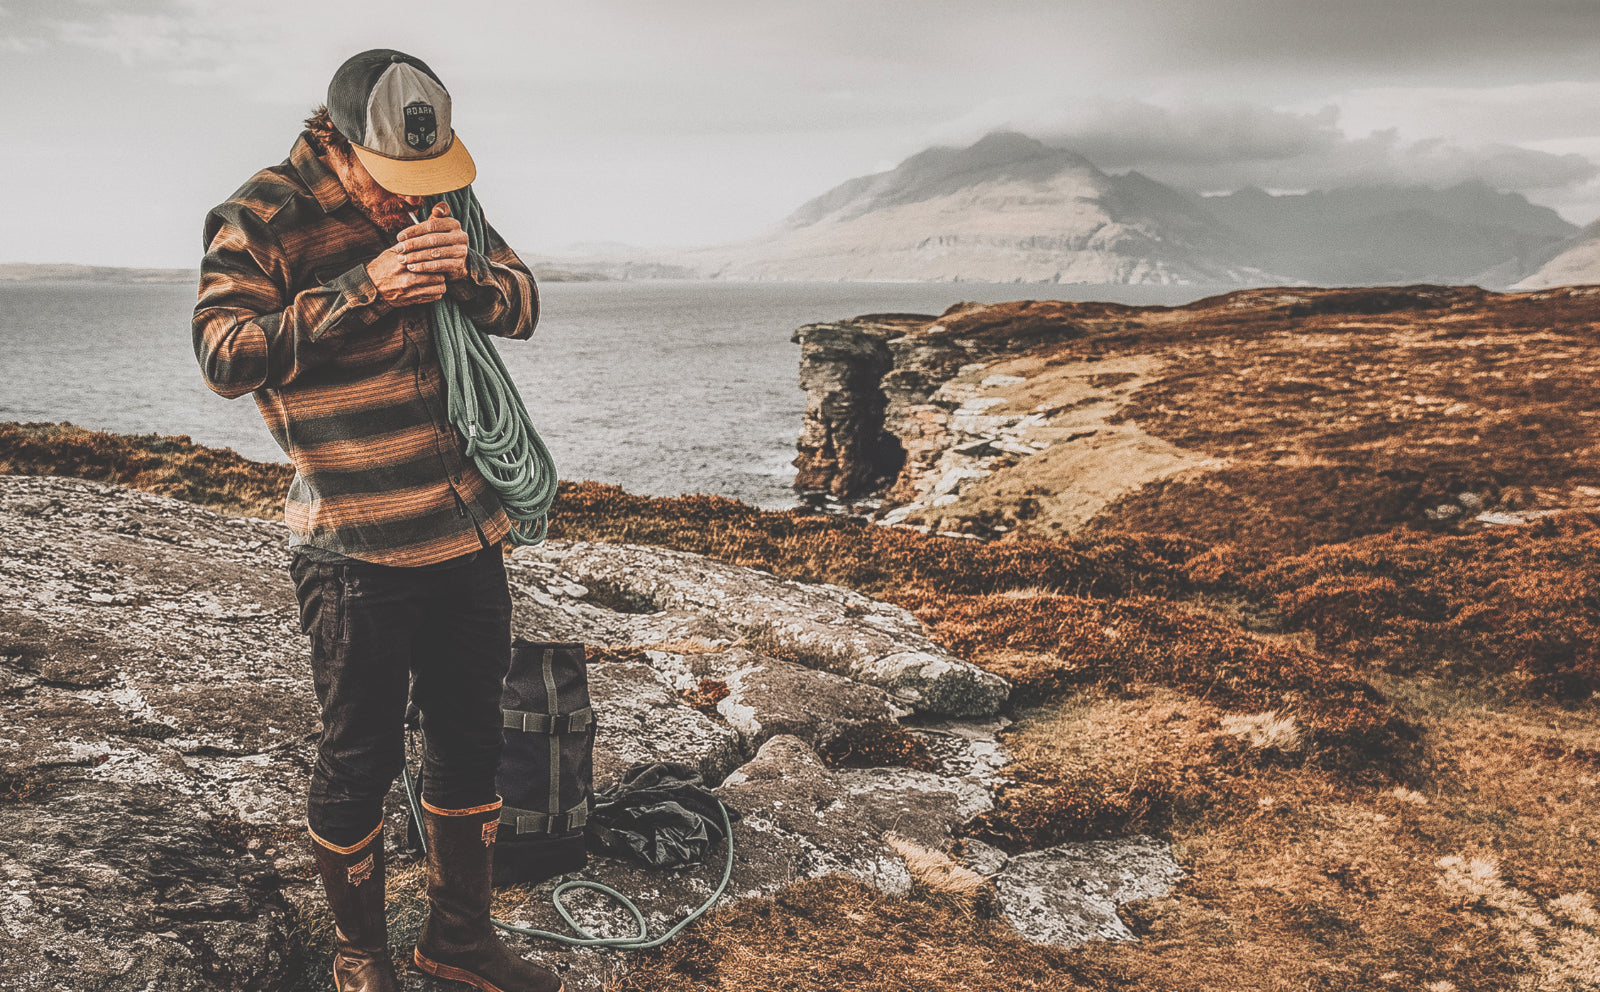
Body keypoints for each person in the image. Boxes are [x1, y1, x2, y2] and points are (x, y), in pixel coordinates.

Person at [193, 49, 561, 992]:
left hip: (467, 531)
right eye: (396, 177)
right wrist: (369, 287)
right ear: (340, 140)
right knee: (359, 758)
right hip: (356, 545)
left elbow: (522, 304)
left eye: (427, 177)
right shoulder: (261, 216)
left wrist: (467, 278)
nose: (414, 197)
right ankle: (361, 956)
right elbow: (225, 356)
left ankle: (458, 943)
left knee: (472, 740)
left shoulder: (446, 200)